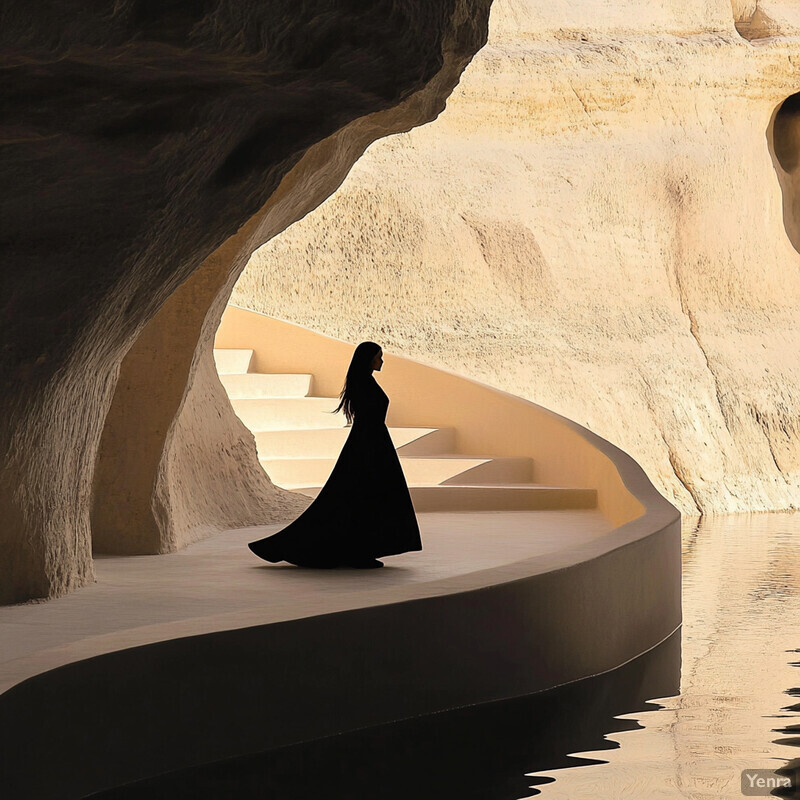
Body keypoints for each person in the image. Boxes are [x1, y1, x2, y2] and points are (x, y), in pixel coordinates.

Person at [248, 341, 422, 569]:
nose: (382, 361)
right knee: (359, 497)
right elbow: (369, 416)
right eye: (379, 356)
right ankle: (359, 551)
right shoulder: (363, 383)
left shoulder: (364, 381)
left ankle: (362, 550)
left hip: (372, 444)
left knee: (363, 498)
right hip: (368, 445)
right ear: (368, 358)